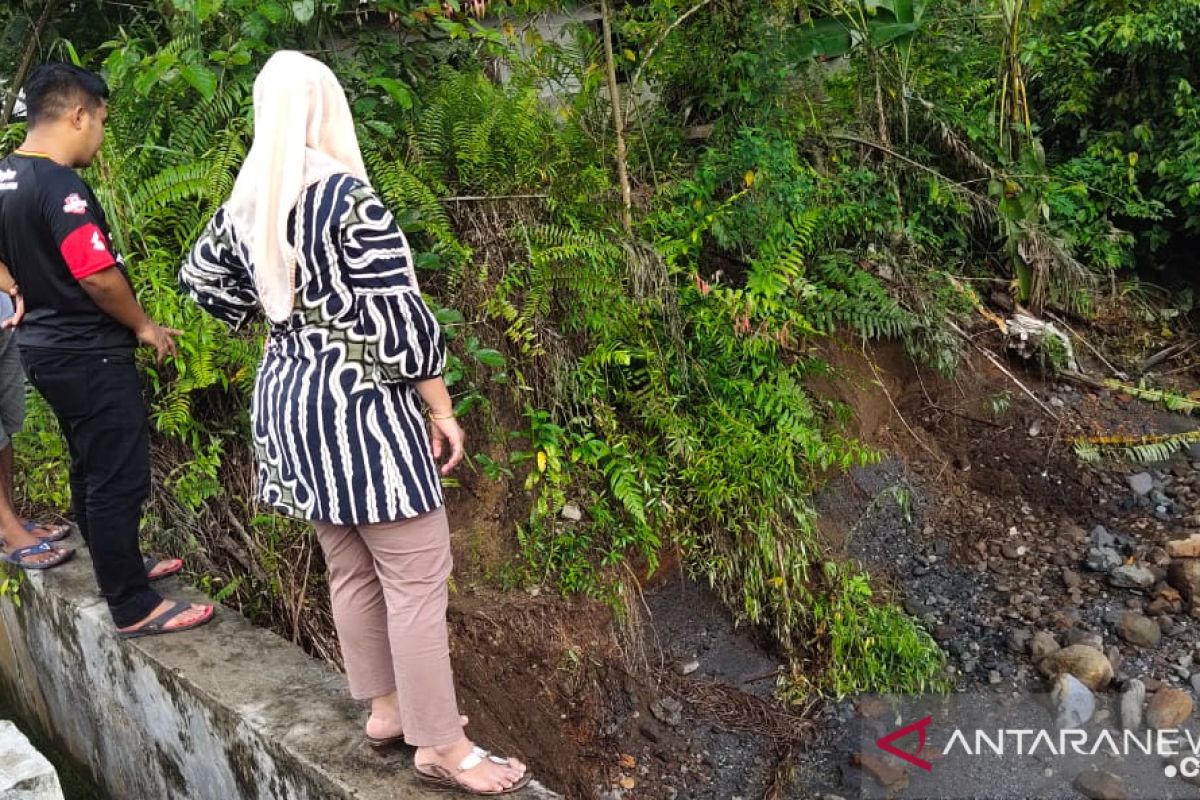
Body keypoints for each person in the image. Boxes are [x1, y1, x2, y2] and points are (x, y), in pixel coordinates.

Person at [180, 51, 531, 795]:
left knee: (349, 563)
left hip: (288, 398)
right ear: (323, 108)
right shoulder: (347, 198)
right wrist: (440, 407)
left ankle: (387, 709)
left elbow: (201, 281)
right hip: (360, 405)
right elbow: (400, 320)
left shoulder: (249, 199)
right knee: (414, 571)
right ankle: (442, 747)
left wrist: (280, 316)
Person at [0, 63, 211, 636]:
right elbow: (95, 273)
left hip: (43, 348)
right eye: (100, 121)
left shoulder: (8, 175)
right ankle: (132, 603)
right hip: (86, 351)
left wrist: (12, 283)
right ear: (77, 114)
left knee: (89, 465)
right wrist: (145, 326)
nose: (101, 134)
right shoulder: (59, 186)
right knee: (118, 475)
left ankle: (116, 568)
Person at [0, 262, 72, 570]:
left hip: (4, 310)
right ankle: (7, 529)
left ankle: (11, 518)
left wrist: (14, 289)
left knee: (5, 425)